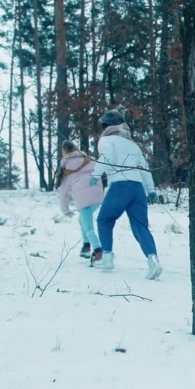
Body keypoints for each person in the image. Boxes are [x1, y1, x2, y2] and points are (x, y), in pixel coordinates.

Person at [91, 108, 162, 279]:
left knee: (104, 220)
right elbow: (144, 168)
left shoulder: (106, 140)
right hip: (137, 188)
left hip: (120, 186)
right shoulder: (132, 144)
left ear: (107, 126)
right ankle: (153, 261)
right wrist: (151, 190)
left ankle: (107, 258)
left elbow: (106, 158)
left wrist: (95, 175)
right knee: (140, 226)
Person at [57, 140, 106, 260]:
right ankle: (86, 246)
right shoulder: (88, 159)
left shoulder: (66, 168)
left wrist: (66, 210)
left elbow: (63, 194)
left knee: (88, 227)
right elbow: (101, 173)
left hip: (83, 200)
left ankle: (98, 251)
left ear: (64, 152)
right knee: (82, 220)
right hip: (98, 196)